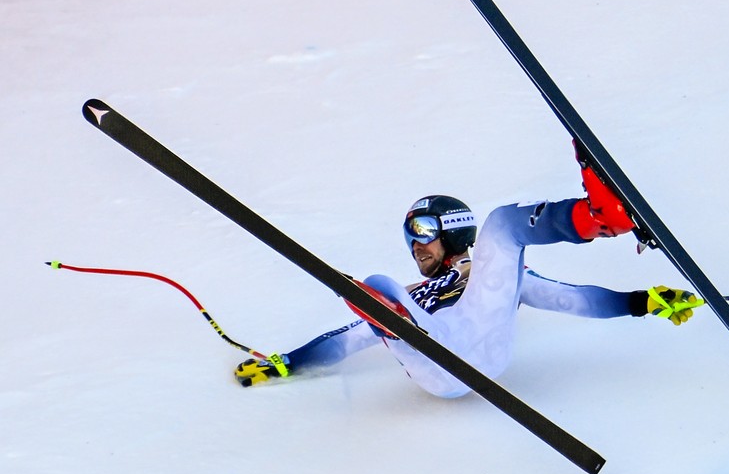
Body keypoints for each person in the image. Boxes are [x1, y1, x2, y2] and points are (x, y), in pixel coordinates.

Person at [234, 146, 704, 395]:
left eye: (423, 232)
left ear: (452, 230)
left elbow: (570, 298)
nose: (415, 245)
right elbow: (346, 339)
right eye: (410, 236)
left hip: (484, 340)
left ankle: (606, 217)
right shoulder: (414, 292)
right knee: (376, 286)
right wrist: (288, 362)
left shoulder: (490, 277)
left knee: (501, 224)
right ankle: (396, 325)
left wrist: (640, 303)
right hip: (436, 362)